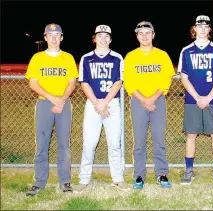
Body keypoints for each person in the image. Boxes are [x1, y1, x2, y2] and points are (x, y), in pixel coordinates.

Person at [72, 25, 129, 193]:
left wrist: (105, 102)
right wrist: (97, 103)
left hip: (112, 103)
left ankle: (118, 179)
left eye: (106, 36)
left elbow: (118, 82)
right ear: (94, 38)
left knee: (114, 143)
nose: (103, 39)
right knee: (89, 143)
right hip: (93, 103)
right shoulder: (86, 58)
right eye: (100, 35)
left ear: (110, 39)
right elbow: (84, 82)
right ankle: (84, 179)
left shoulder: (117, 57)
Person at [25, 23, 78, 196]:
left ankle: (65, 181)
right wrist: (52, 98)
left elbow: (72, 82)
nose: (54, 38)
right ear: (45, 37)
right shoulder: (38, 58)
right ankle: (39, 181)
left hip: (63, 104)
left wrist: (61, 99)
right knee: (42, 144)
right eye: (50, 35)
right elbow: (33, 83)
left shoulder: (68, 58)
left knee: (64, 145)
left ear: (61, 37)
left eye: (57, 35)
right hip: (44, 104)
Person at [178, 15, 213, 185]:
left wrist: (207, 97)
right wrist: (197, 97)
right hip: (192, 100)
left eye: (205, 26)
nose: (202, 29)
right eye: (198, 26)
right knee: (191, 135)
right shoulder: (186, 51)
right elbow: (184, 77)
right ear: (194, 29)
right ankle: (188, 170)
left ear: (209, 30)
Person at [123, 21, 175, 189]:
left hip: (158, 101)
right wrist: (144, 100)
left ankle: (161, 174)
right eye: (141, 33)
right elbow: (128, 83)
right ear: (137, 36)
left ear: (153, 35)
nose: (144, 36)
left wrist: (152, 98)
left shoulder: (162, 55)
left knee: (159, 140)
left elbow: (166, 80)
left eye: (148, 32)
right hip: (138, 102)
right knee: (139, 141)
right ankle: (139, 175)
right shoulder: (130, 56)